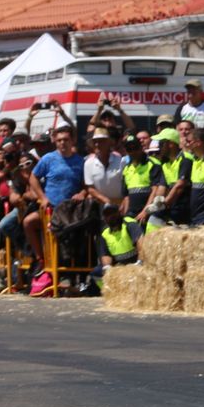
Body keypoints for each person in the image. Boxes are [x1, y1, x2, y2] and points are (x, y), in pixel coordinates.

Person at [24, 125, 85, 290]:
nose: (62, 143)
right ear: (55, 142)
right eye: (59, 140)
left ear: (72, 140)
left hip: (70, 211)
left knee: (63, 235)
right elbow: (33, 178)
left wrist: (82, 193)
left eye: (65, 139)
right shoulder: (48, 159)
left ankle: (66, 275)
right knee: (28, 222)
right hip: (49, 209)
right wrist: (42, 198)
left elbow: (87, 185)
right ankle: (40, 259)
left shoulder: (81, 161)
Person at [87, 202, 144, 293]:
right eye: (107, 214)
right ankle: (109, 293)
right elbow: (105, 255)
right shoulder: (104, 233)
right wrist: (107, 267)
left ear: (119, 213)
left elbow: (141, 243)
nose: (111, 216)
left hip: (135, 262)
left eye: (113, 213)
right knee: (97, 273)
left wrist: (140, 262)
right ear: (104, 217)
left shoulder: (129, 224)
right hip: (119, 265)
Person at [150, 129, 190, 226]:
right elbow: (162, 187)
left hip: (184, 210)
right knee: (152, 221)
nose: (159, 146)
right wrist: (157, 202)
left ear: (170, 144)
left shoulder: (186, 159)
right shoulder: (165, 162)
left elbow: (180, 186)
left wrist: (164, 203)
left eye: (161, 143)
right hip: (171, 207)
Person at [120, 134, 160, 222]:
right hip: (131, 214)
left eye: (135, 148)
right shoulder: (126, 169)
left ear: (141, 147)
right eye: (129, 149)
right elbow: (126, 196)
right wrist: (126, 214)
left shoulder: (153, 164)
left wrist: (145, 212)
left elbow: (155, 190)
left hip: (149, 214)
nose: (133, 151)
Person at [83, 129, 124, 208]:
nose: (97, 144)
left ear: (109, 143)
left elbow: (126, 184)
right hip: (98, 205)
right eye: (95, 142)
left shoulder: (120, 161)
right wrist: (106, 200)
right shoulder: (88, 163)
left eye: (101, 141)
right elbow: (90, 188)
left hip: (119, 205)